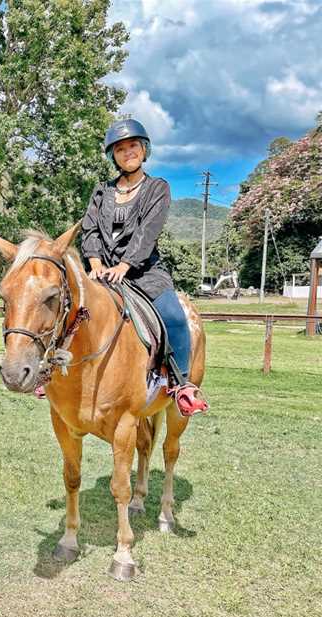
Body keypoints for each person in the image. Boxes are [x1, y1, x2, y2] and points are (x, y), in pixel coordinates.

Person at [80, 118, 209, 416]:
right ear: (113, 155)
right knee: (71, 308)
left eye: (133, 146)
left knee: (175, 316)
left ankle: (181, 385)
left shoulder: (157, 188)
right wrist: (96, 263)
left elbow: (147, 232)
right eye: (121, 148)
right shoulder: (101, 191)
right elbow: (90, 230)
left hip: (145, 273)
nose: (128, 153)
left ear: (144, 150)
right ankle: (50, 370)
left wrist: (125, 265)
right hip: (103, 272)